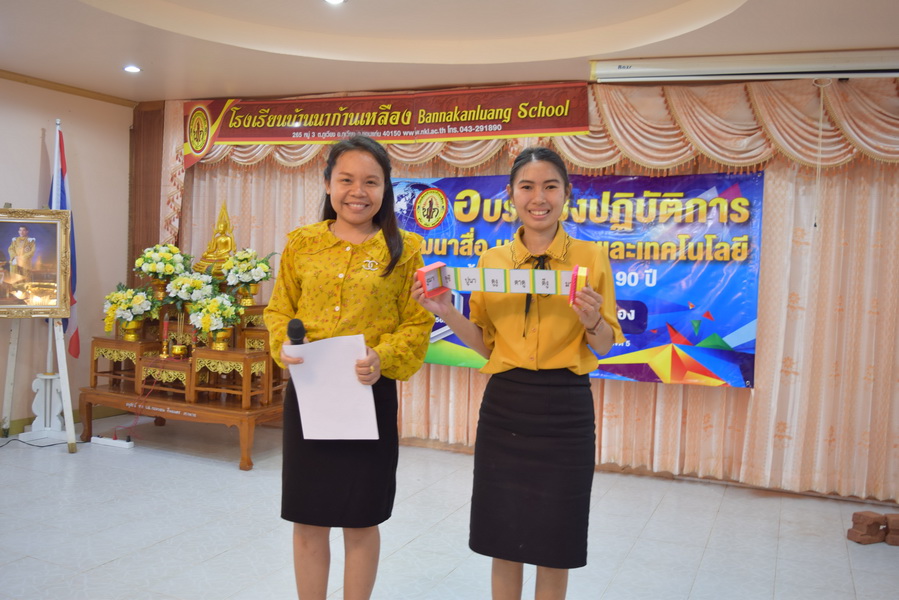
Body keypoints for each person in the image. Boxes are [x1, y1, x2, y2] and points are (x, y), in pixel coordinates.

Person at [412, 146, 624, 600]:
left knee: (556, 543)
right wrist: (445, 311)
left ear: (566, 193)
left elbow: (605, 345)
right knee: (503, 539)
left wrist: (592, 320)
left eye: (550, 186)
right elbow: (485, 344)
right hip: (505, 405)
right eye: (527, 187)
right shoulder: (491, 262)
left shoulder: (591, 258)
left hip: (567, 409)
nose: (538, 198)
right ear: (511, 194)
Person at [264, 135, 434, 600]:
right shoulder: (302, 244)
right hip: (311, 393)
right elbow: (278, 311)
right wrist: (284, 345)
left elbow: (417, 323)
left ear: (385, 189)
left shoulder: (405, 250)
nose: (358, 192)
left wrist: (384, 357)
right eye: (346, 180)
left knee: (361, 520)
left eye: (371, 182)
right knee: (308, 518)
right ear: (327, 184)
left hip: (369, 393)